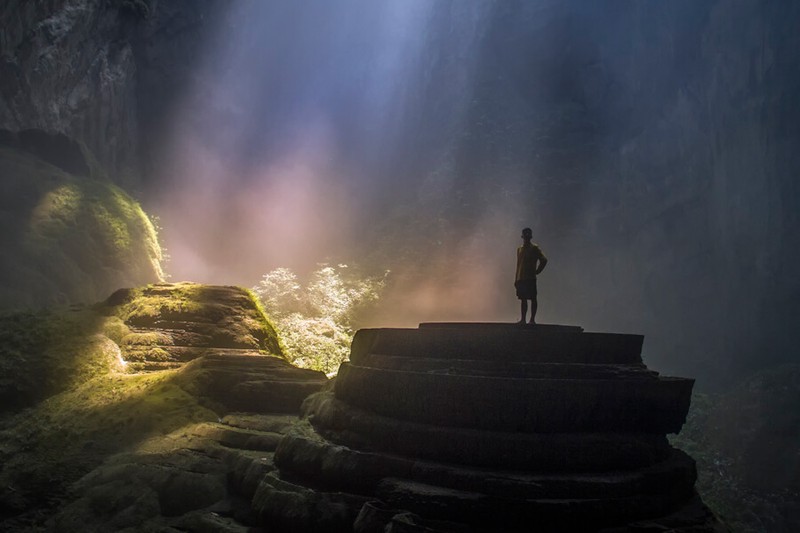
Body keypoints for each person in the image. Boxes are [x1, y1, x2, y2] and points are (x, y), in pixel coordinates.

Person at [515, 227, 547, 325]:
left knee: (533, 298)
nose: (527, 237)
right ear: (523, 236)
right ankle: (523, 319)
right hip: (521, 278)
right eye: (525, 235)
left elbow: (544, 259)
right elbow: (518, 264)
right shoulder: (519, 249)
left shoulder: (534, 248)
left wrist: (537, 271)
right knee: (523, 299)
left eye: (528, 234)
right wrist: (516, 279)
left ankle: (532, 319)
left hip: (530, 278)